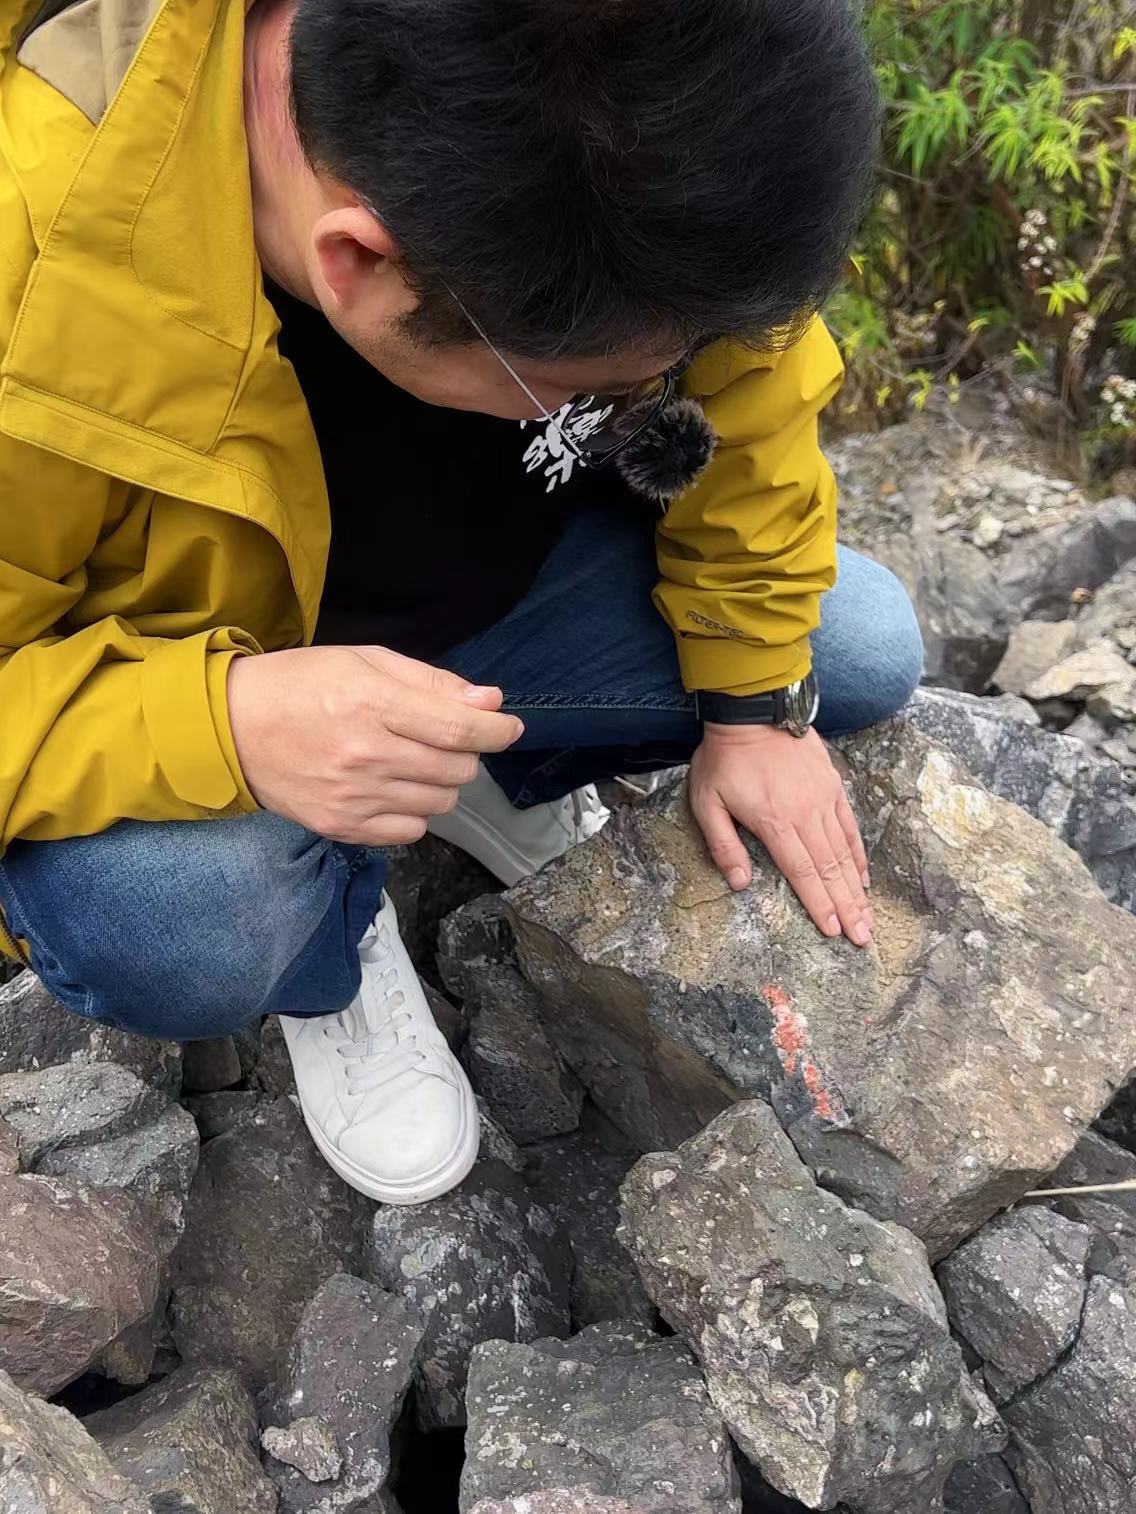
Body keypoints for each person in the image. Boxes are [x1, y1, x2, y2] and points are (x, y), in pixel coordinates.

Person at [0, 0, 922, 1204]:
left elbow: (747, 400)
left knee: (851, 646)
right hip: (192, 665)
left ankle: (461, 760)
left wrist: (751, 714)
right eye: (594, 387)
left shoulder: (663, 108)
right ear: (358, 265)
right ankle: (327, 924)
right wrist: (221, 721)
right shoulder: (35, 254)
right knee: (179, 921)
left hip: (499, 596)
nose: (644, 399)